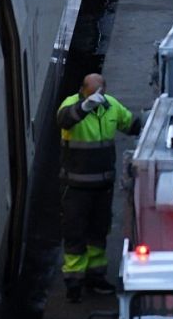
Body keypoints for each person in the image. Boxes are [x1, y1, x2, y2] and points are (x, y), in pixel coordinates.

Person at [57, 72, 139, 302]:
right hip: (75, 187)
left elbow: (132, 124)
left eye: (100, 92)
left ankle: (95, 277)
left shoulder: (111, 106)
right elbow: (64, 120)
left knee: (98, 233)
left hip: (102, 185)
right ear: (82, 90)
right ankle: (74, 283)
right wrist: (85, 107)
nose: (96, 96)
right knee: (75, 234)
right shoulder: (71, 105)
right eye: (91, 92)